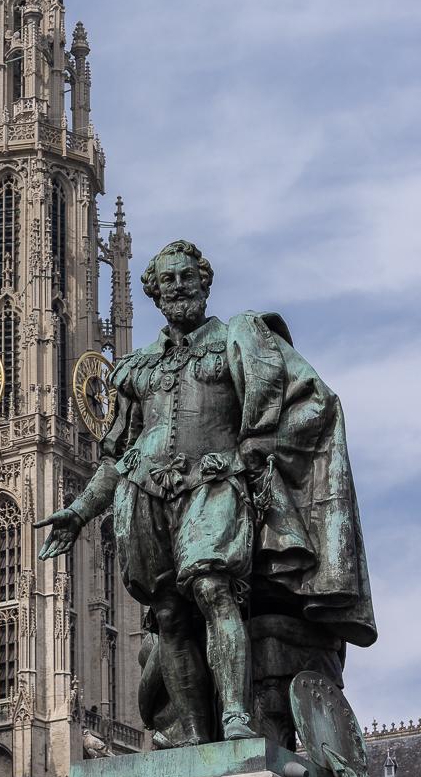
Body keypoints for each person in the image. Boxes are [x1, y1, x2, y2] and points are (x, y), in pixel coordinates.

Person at [36, 240, 376, 746]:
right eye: (167, 280)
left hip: (214, 486)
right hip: (146, 497)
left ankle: (236, 718)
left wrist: (253, 451)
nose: (177, 287)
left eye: (186, 277)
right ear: (153, 292)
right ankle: (194, 736)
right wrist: (80, 511)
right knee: (168, 614)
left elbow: (317, 404)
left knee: (215, 590)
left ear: (204, 281)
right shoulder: (137, 366)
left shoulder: (240, 339)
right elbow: (116, 455)